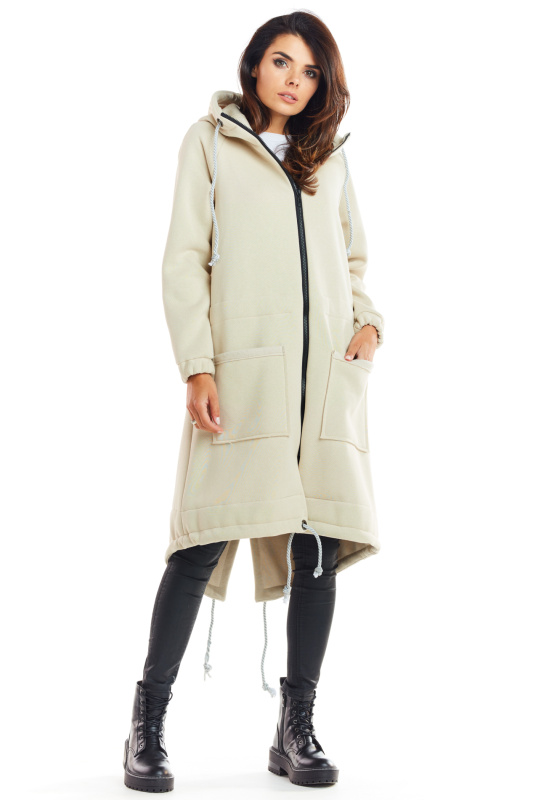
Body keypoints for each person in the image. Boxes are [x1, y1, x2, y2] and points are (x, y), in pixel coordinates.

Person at [123, 10, 385, 793]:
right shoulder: (208, 143)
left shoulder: (329, 156)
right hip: (242, 378)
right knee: (198, 545)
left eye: (309, 71)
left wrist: (367, 323)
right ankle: (146, 725)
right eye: (280, 62)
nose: (293, 81)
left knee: (317, 549)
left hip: (323, 384)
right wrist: (197, 366)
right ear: (253, 65)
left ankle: (294, 728)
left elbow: (352, 258)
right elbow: (184, 260)